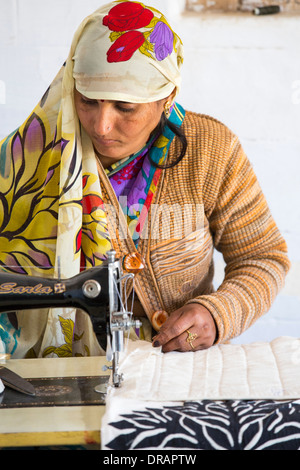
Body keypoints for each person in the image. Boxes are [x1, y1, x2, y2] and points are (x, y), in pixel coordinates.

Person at [0, 1, 290, 359]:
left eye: (125, 107)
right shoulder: (26, 163)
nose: (101, 125)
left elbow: (263, 257)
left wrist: (219, 314)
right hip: (60, 369)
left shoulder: (212, 151)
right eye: (87, 100)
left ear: (166, 97)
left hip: (182, 369)